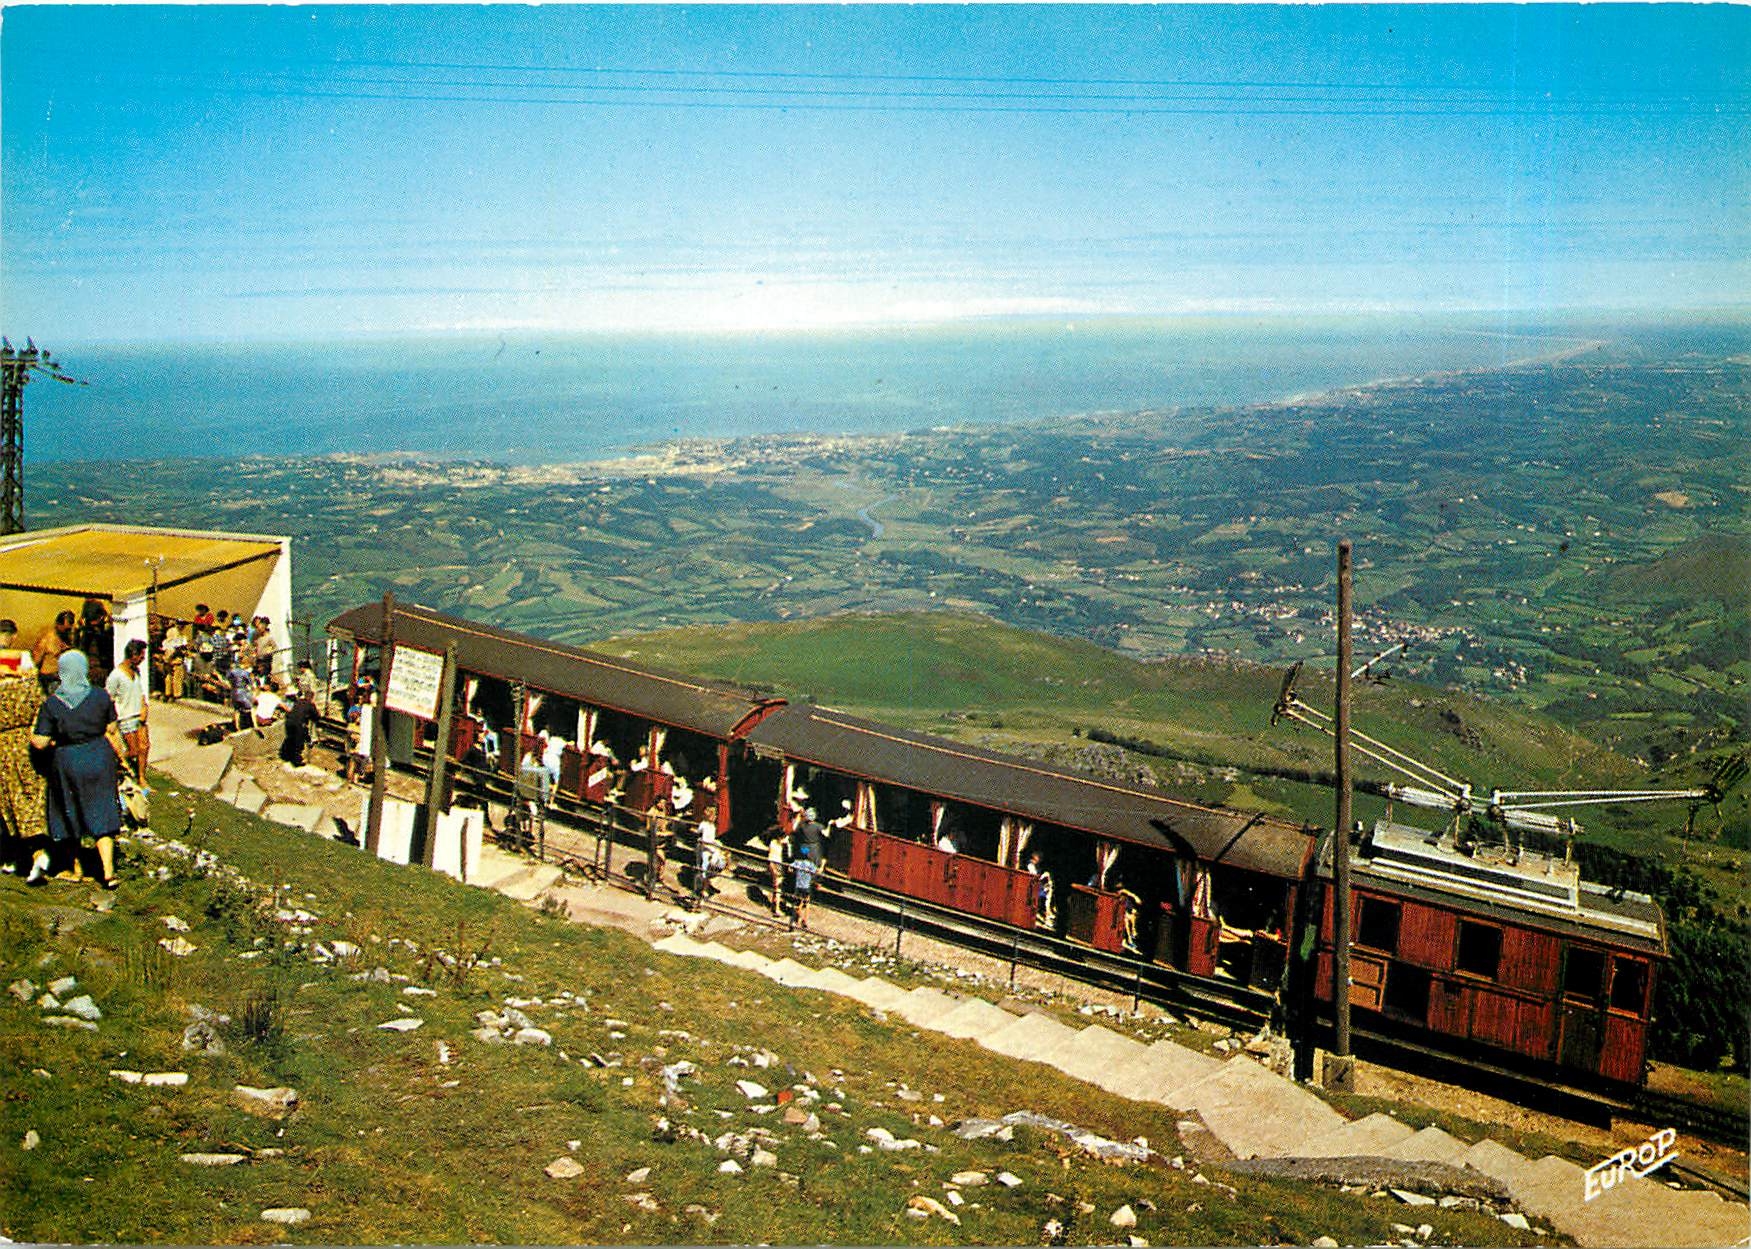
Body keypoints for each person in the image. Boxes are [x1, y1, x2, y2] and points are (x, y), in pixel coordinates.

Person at [29, 651, 125, 889]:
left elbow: (40, 743)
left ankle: (76, 869)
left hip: (68, 760)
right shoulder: (101, 696)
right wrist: (122, 759)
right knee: (102, 810)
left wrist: (31, 733)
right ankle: (109, 872)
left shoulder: (52, 704)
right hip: (99, 756)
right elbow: (112, 729)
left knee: (69, 812)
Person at [0, 668, 47, 879]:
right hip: (27, 747)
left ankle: (17, 856)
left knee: (10, 803)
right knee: (32, 799)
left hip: (3, 750)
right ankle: (39, 851)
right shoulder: (29, 685)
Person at [105, 639, 151, 787]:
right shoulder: (116, 675)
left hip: (139, 715)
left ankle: (142, 778)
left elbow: (141, 692)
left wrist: (145, 707)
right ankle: (116, 762)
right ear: (133, 655)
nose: (143, 659)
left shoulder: (137, 672)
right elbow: (109, 699)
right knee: (134, 751)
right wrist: (111, 721)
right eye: (141, 655)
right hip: (125, 718)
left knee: (145, 747)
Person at [32, 610, 77, 696]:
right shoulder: (47, 639)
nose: (68, 631)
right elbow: (36, 661)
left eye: (69, 629)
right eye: (66, 629)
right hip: (49, 678)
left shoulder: (68, 639)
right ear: (58, 625)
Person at [281, 688, 318, 766]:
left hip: (288, 722)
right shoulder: (310, 704)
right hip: (298, 724)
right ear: (312, 697)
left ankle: (287, 756)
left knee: (291, 739)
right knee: (299, 742)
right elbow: (316, 716)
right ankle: (297, 761)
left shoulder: (298, 701)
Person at [791, 844, 817, 931]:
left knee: (797, 904)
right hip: (807, 886)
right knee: (807, 903)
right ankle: (805, 921)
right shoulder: (810, 864)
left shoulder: (798, 862)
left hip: (798, 886)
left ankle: (797, 920)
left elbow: (790, 867)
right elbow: (815, 871)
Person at [765, 826, 787, 916]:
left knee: (777, 888)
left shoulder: (773, 843)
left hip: (777, 865)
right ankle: (776, 909)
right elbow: (771, 859)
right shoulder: (775, 845)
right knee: (778, 888)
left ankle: (774, 906)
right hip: (776, 865)